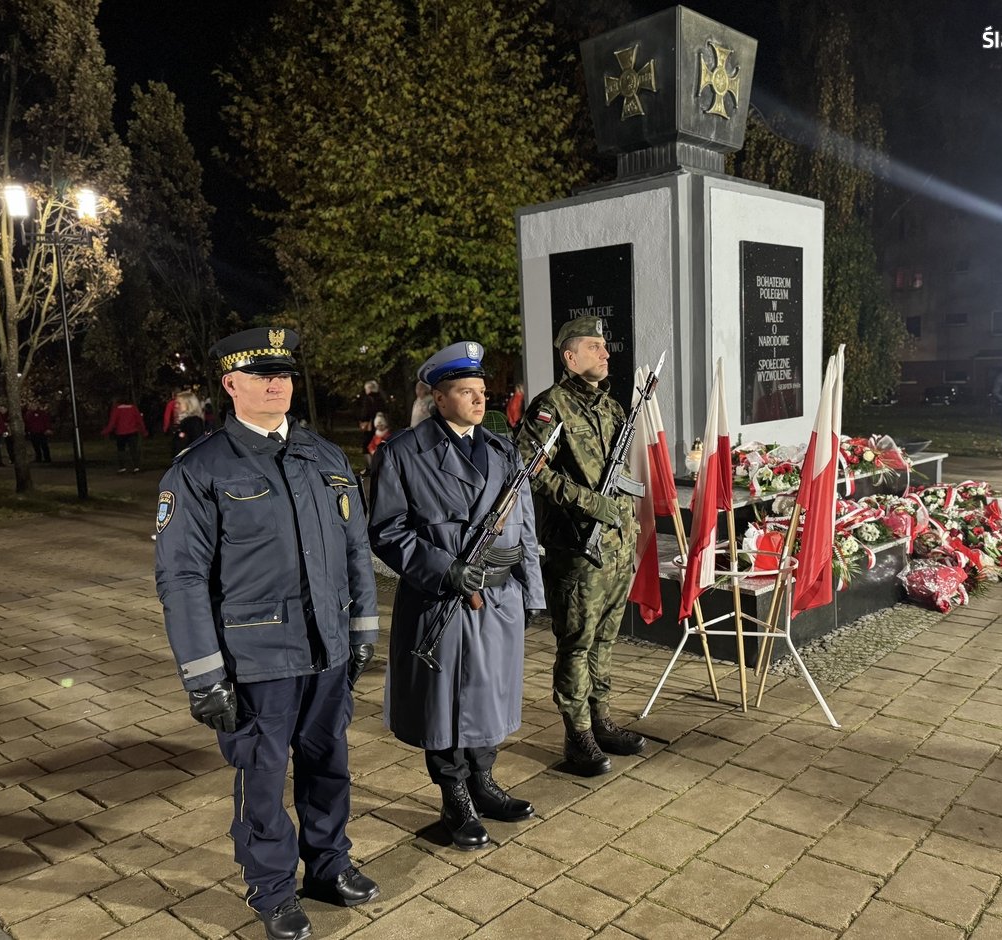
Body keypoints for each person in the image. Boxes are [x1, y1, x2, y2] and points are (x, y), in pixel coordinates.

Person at [154, 327, 380, 940]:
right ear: (231, 386)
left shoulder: (324, 456)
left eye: (282, 373)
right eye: (260, 375)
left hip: (327, 648)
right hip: (256, 658)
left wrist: (363, 629)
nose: (276, 384)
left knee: (328, 762)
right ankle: (273, 889)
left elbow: (355, 550)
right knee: (262, 778)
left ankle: (329, 866)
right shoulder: (200, 469)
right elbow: (181, 579)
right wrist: (204, 676)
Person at [368, 341, 545, 850]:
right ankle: (454, 796)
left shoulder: (501, 449)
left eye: (482, 391)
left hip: (496, 598)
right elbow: (387, 530)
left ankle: (483, 782)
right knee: (444, 704)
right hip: (440, 600)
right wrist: (445, 569)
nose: (478, 400)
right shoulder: (404, 453)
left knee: (490, 696)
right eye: (465, 392)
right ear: (439, 398)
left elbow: (524, 523)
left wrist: (532, 592)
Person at [514, 316, 644, 777]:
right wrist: (589, 502)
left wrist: (626, 527)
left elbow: (620, 476)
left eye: (605, 346)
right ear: (570, 357)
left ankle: (601, 719)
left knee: (605, 639)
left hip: (616, 546)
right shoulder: (550, 409)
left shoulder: (612, 408)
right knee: (577, 642)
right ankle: (578, 735)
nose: (606, 354)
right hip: (577, 547)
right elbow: (530, 470)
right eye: (595, 346)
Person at [101, 396, 148, 473]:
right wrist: (144, 431)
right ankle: (136, 466)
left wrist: (106, 431)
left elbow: (112, 422)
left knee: (121, 450)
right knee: (133, 450)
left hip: (120, 432)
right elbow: (139, 421)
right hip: (132, 432)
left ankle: (122, 467)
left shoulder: (116, 409)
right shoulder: (133, 408)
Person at [354, 380, 383, 454]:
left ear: (370, 388)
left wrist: (362, 420)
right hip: (380, 425)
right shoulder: (381, 398)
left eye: (366, 389)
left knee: (367, 446)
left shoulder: (368, 398)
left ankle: (371, 464)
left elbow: (366, 412)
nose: (365, 390)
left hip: (370, 425)